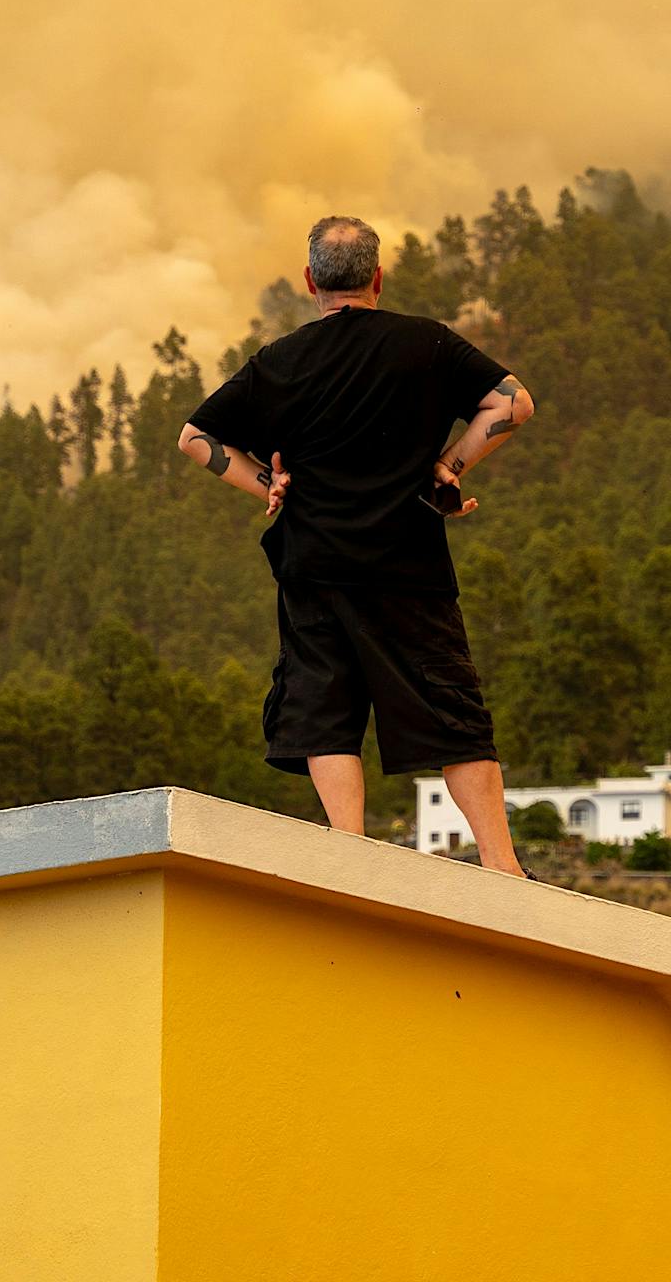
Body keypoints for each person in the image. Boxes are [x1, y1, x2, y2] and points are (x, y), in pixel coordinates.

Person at [177, 214, 536, 875]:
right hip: (410, 562)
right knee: (450, 708)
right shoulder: (425, 344)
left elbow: (197, 438)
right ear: (377, 277)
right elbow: (513, 405)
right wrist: (450, 466)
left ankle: (351, 853)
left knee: (325, 707)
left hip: (314, 566)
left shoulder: (278, 362)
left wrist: (269, 484)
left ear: (311, 280)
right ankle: (500, 862)